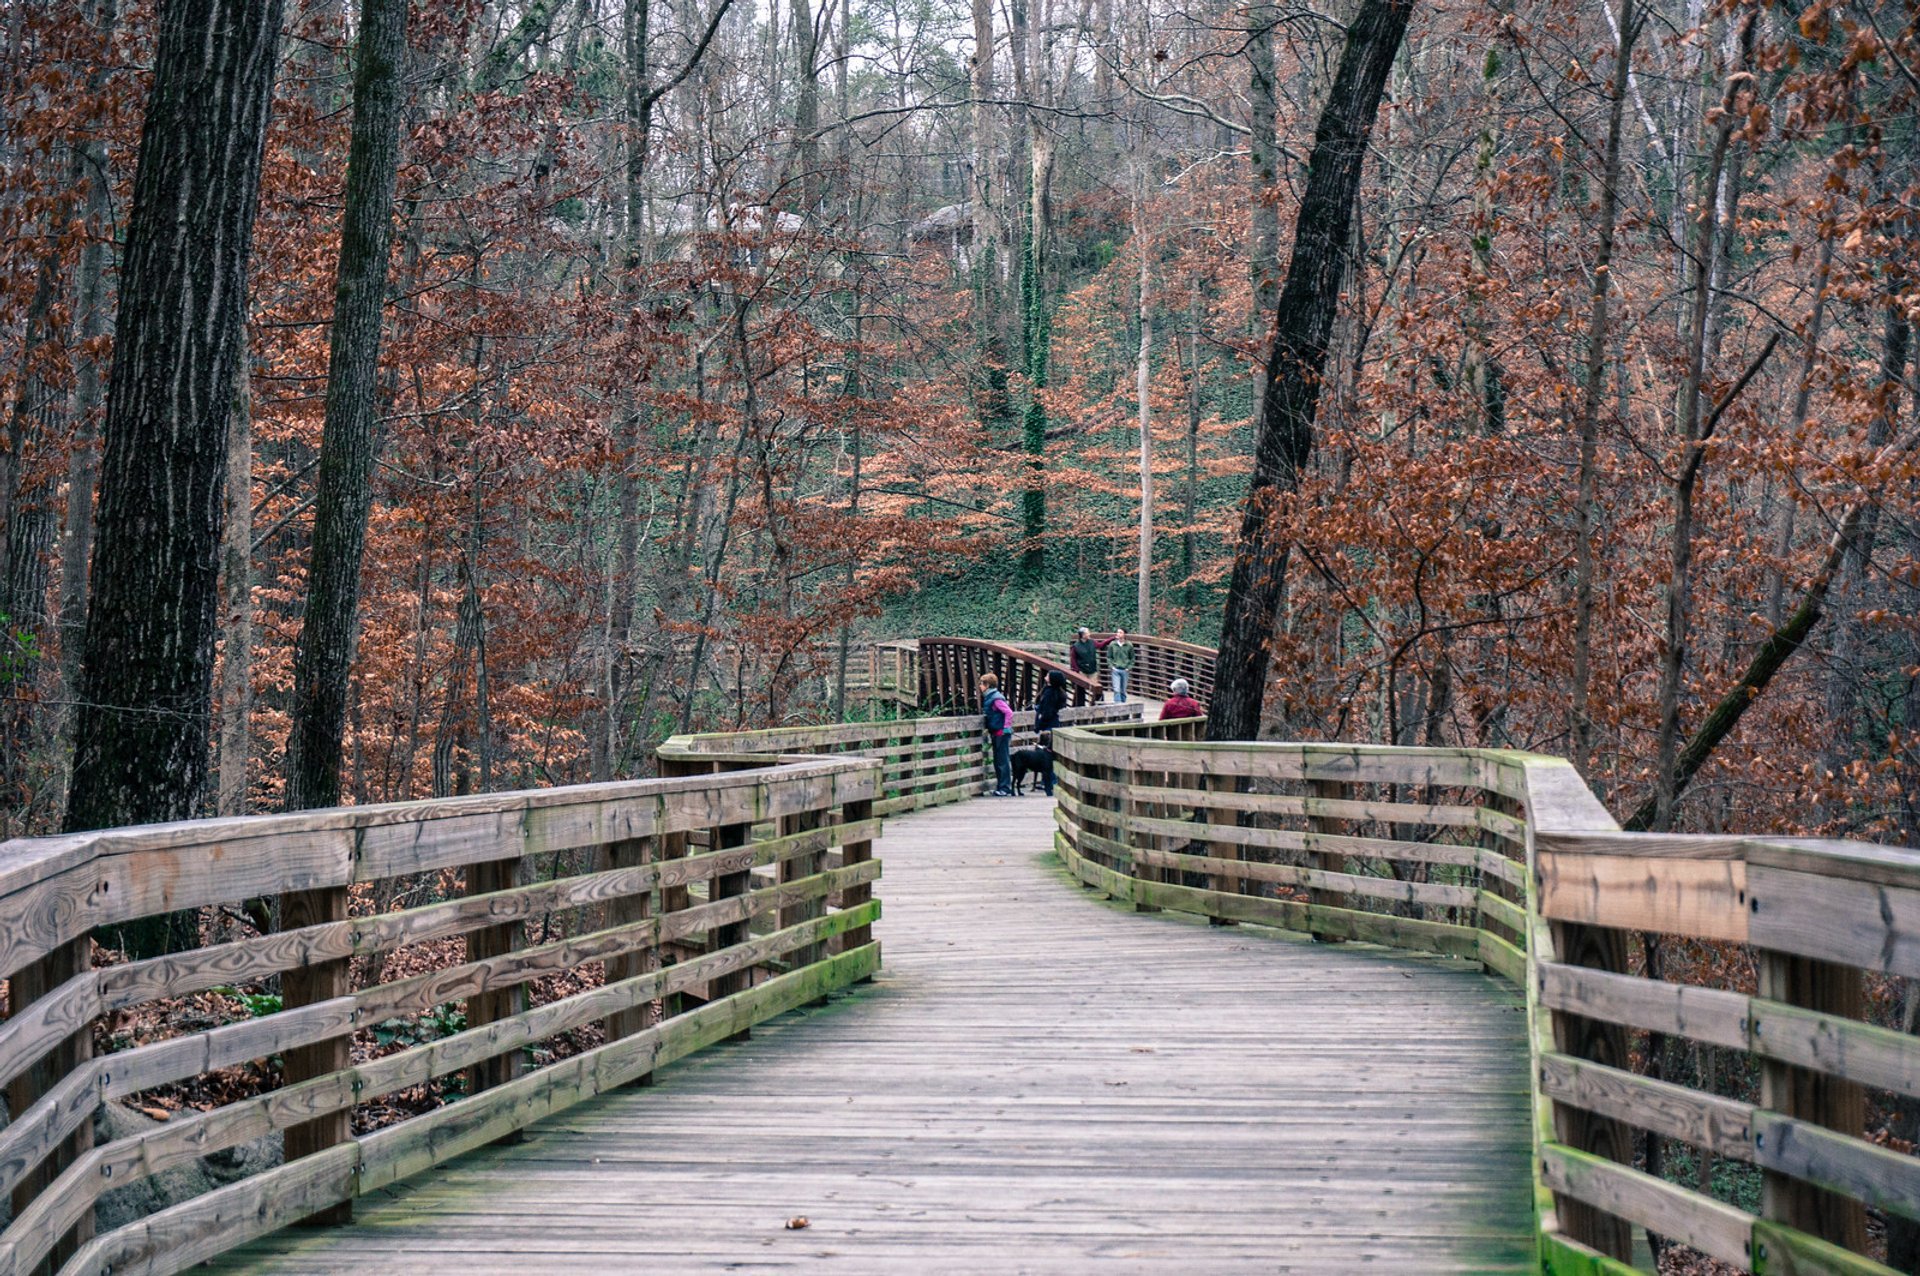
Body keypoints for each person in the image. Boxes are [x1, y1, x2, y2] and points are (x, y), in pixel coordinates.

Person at [1033, 669, 1069, 796]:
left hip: (1048, 726)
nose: (1046, 676)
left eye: (1048, 675)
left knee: (1046, 756)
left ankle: (1050, 782)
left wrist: (1039, 725)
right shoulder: (1058, 692)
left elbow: (1047, 711)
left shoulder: (1049, 693)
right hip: (1054, 724)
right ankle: (1050, 781)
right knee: (1050, 755)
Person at [979, 673, 1014, 796]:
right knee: (998, 760)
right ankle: (1001, 787)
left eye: (981, 684)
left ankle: (1004, 788)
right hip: (996, 732)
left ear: (987, 685)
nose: (980, 686)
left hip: (1001, 733)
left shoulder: (996, 698)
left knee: (1002, 761)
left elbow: (1009, 712)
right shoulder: (991, 697)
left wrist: (1005, 728)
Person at [1105, 629, 1136, 703]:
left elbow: (1132, 658)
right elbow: (1109, 656)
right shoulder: (1113, 644)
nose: (1118, 634)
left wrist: (1128, 668)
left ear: (1124, 634)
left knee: (1123, 690)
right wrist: (1111, 666)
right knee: (1116, 689)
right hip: (1115, 669)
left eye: (1120, 632)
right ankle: (1118, 706)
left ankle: (1123, 706)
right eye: (1117, 632)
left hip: (1125, 670)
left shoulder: (1129, 645)